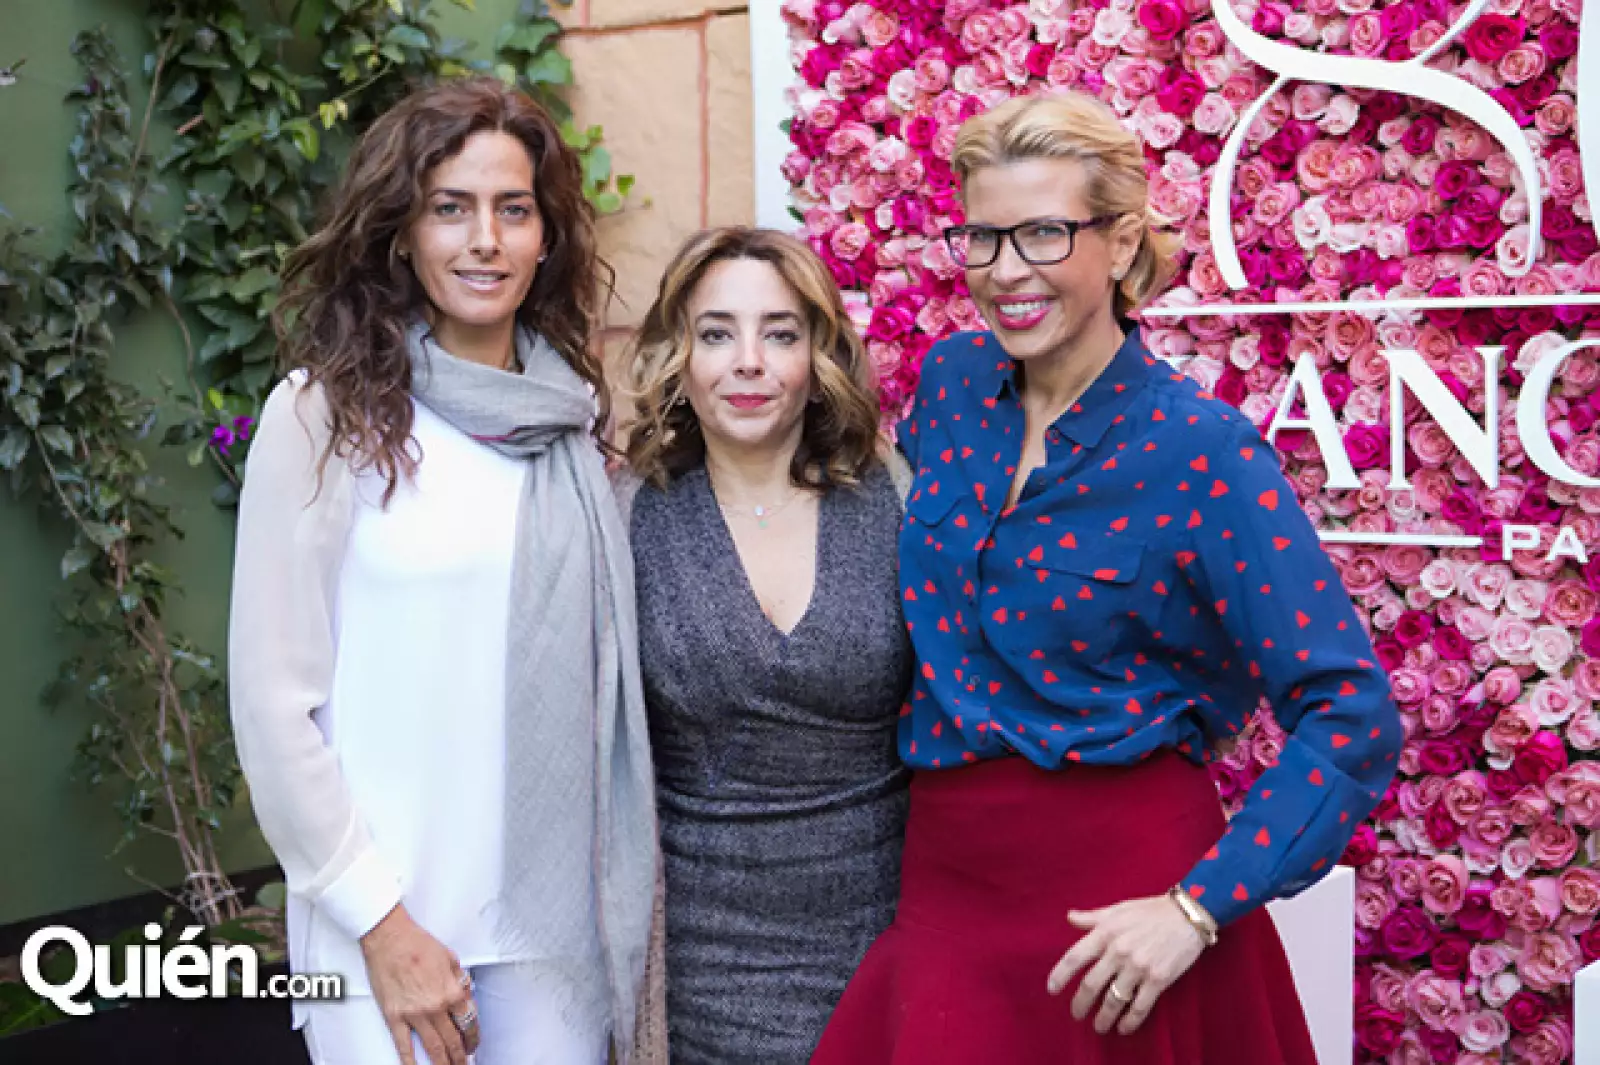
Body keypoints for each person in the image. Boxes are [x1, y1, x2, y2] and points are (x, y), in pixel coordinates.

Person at [813, 92, 1401, 1064]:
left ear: (1123, 245)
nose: (1006, 273)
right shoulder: (950, 387)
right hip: (946, 896)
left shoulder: (1197, 449)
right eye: (982, 237)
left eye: (1043, 234)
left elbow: (1351, 714)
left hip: (1127, 930)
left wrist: (1194, 909)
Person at [228, 77, 657, 1065]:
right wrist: (382, 927)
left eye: (513, 210)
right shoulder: (324, 420)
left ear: (546, 236)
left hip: (555, 939)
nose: (485, 241)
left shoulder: (572, 426)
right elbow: (270, 708)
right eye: (449, 209)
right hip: (387, 934)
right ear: (402, 231)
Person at [617, 226, 912, 1064]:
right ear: (679, 355)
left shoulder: (893, 496)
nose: (748, 360)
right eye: (717, 333)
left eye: (779, 332)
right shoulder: (628, 515)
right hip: (698, 963)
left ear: (818, 353)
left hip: (881, 943)